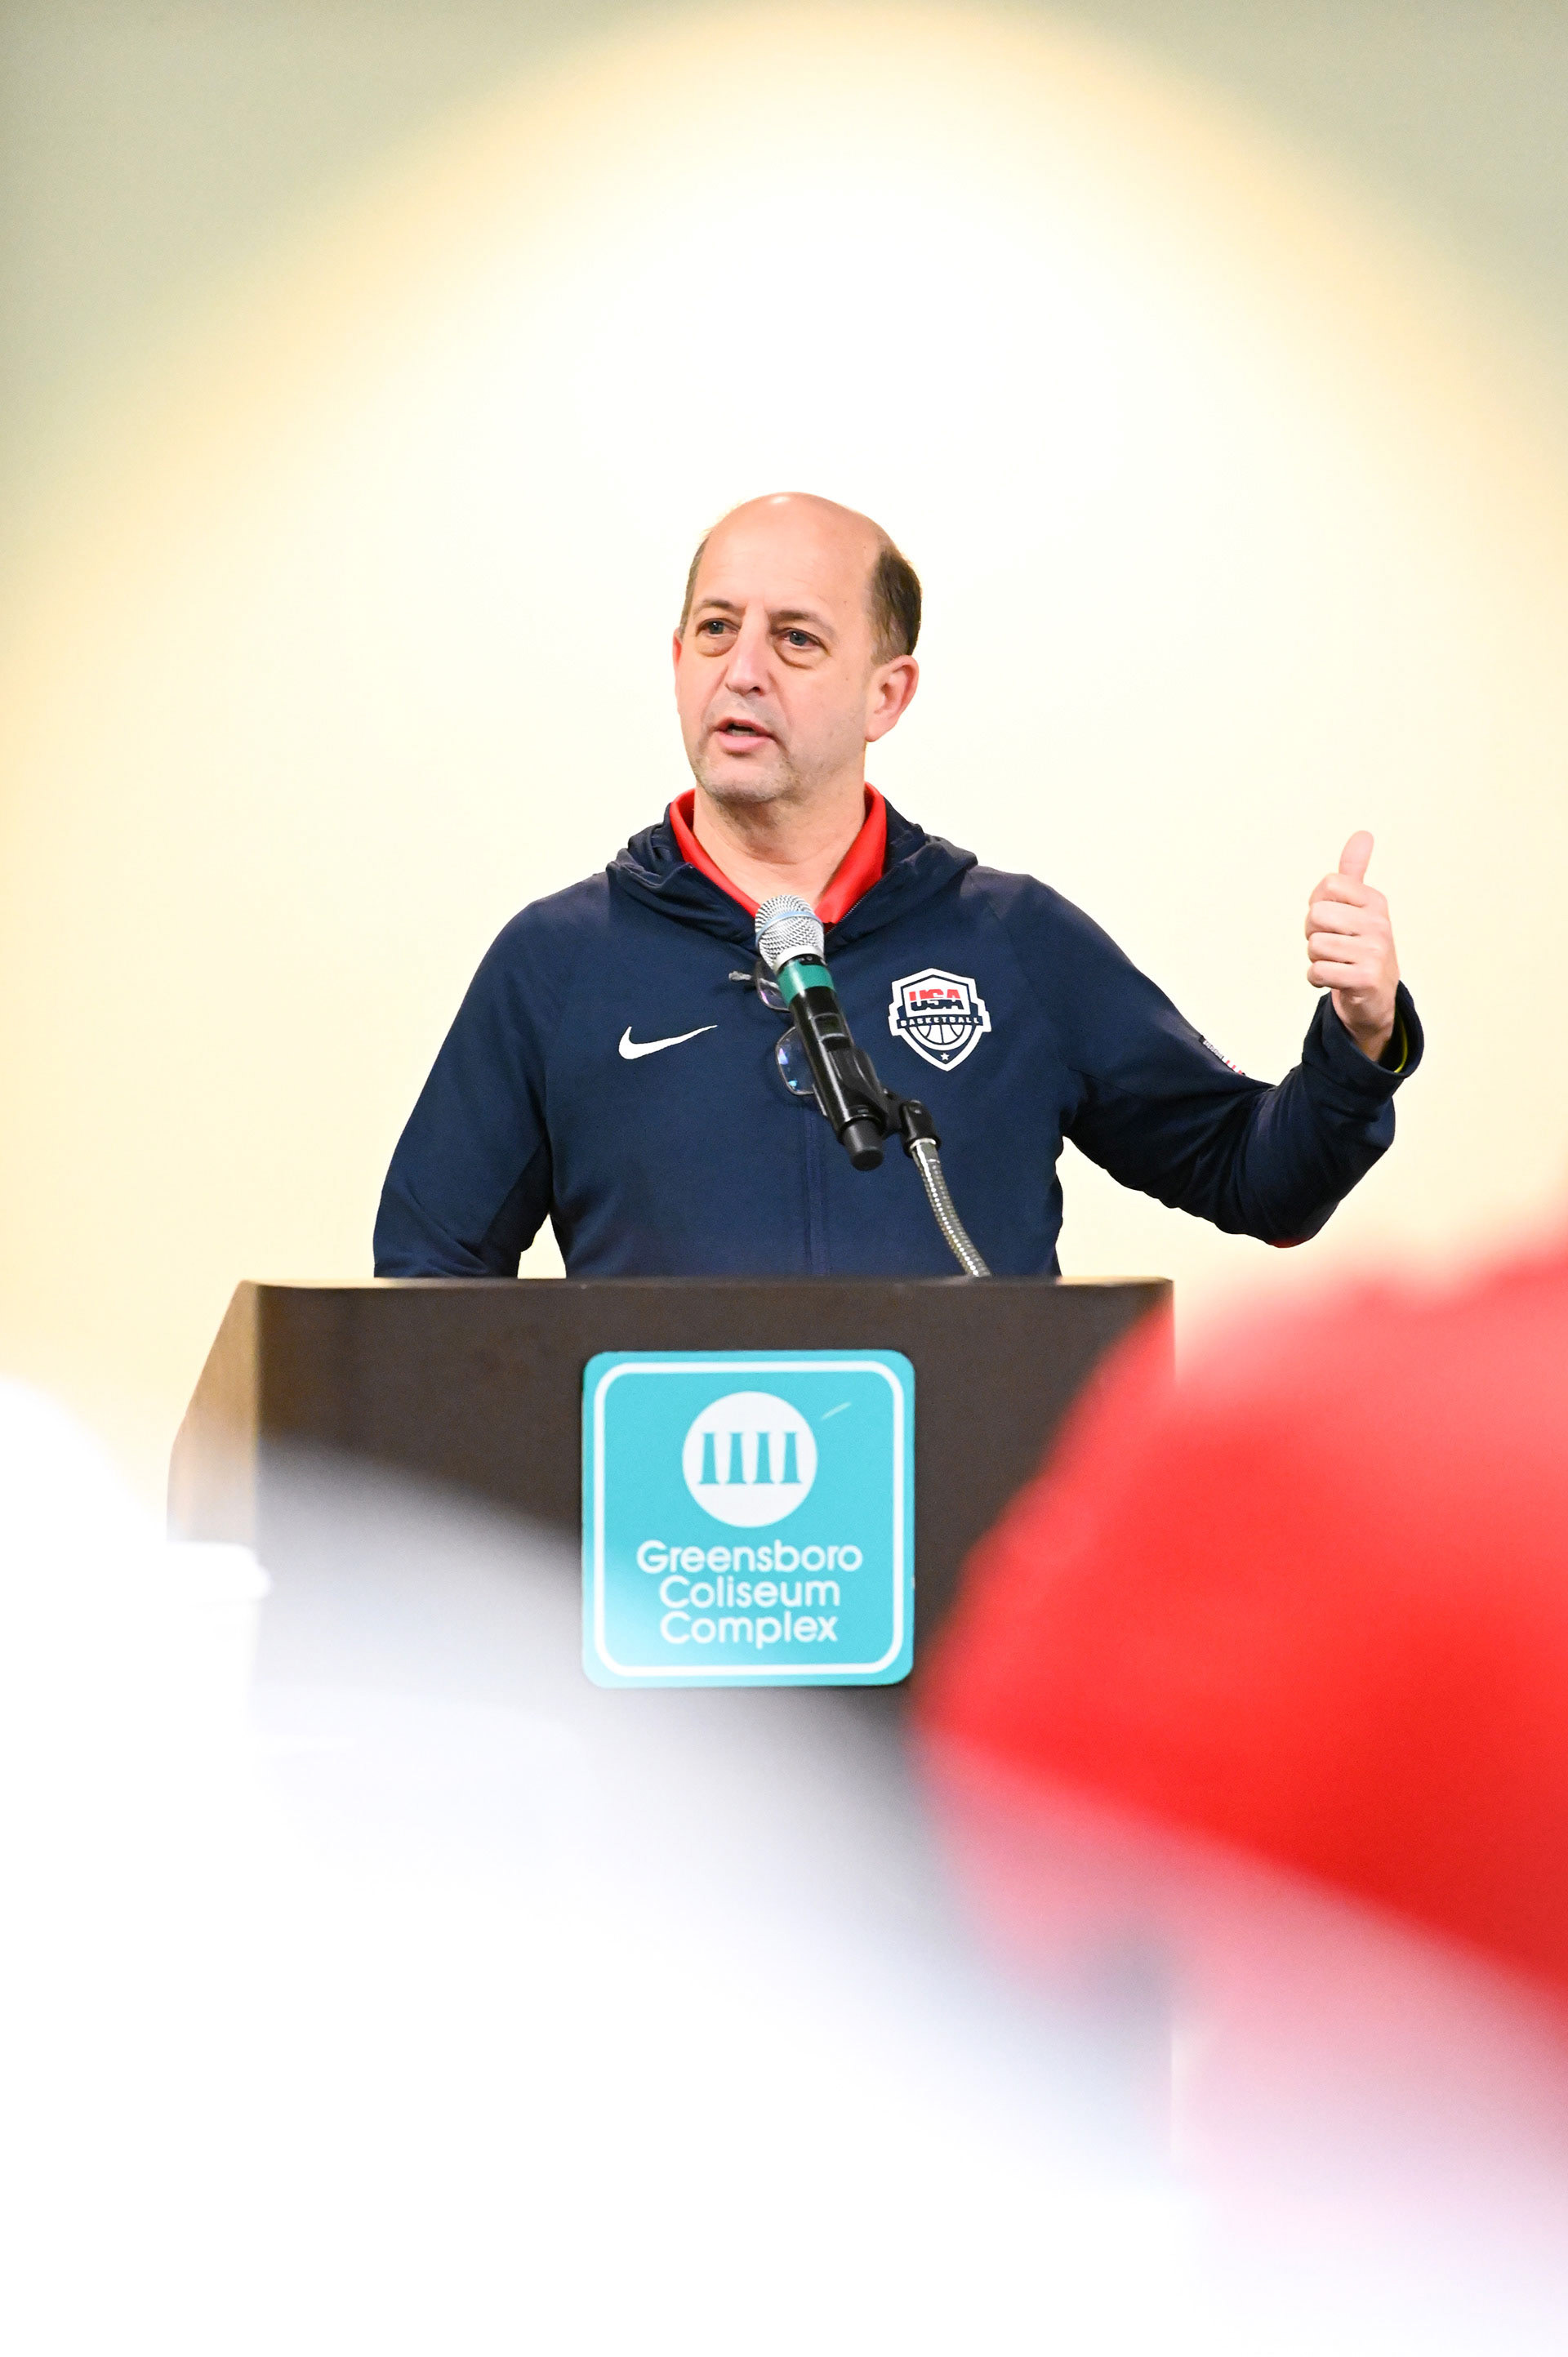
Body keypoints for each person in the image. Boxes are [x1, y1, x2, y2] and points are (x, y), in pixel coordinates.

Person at [373, 493, 1419, 1279]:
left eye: (794, 639)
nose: (742, 670)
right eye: (714, 629)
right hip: (677, 1553)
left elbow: (1257, 1179)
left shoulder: (1010, 940)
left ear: (888, 693)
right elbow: (427, 1287)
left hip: (960, 1539)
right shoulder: (559, 964)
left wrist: (1359, 1041)